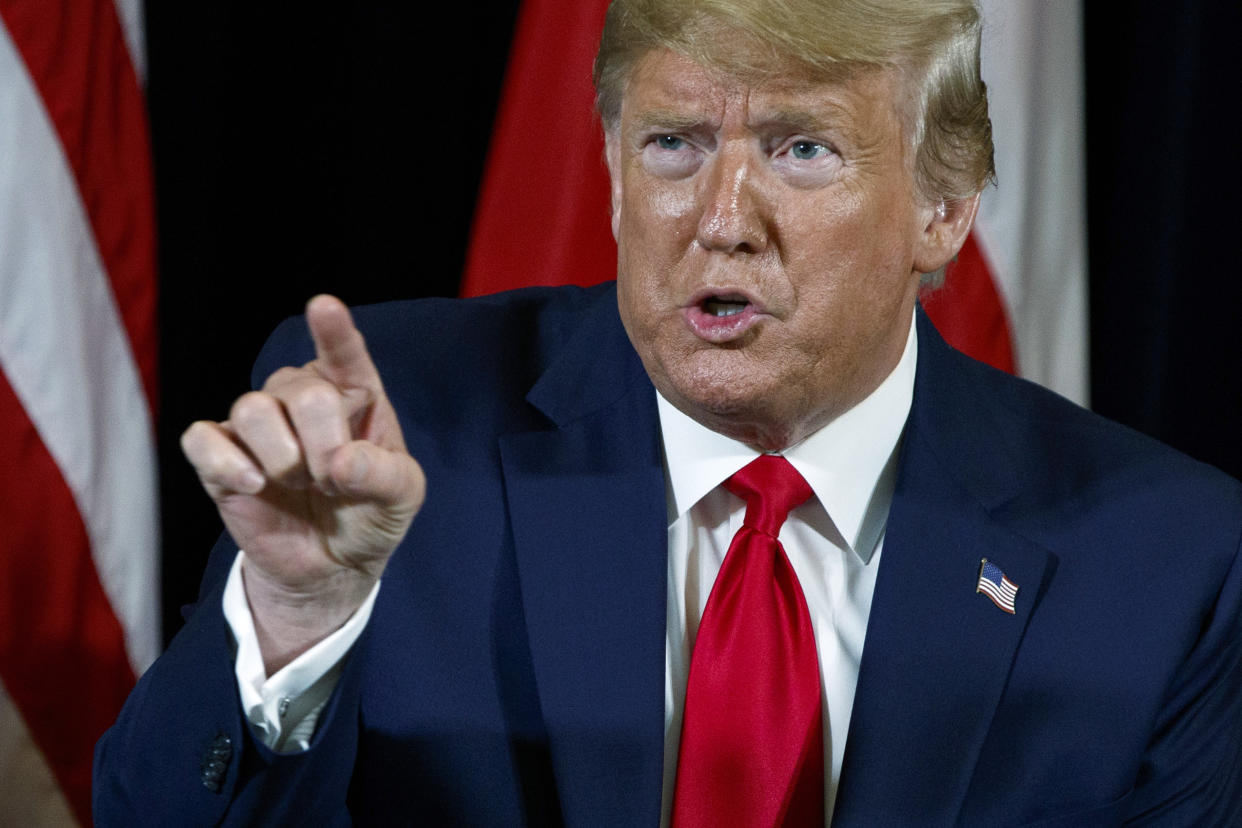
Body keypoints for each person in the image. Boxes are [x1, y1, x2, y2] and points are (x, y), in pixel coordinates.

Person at [94, 0, 1242, 825]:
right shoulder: (388, 439)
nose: (722, 219)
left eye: (801, 148)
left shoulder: (1162, 564)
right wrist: (294, 623)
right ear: (607, 166)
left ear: (942, 212)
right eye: (674, 145)